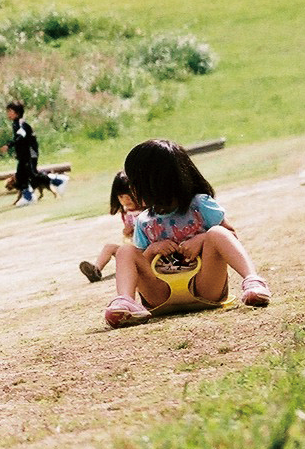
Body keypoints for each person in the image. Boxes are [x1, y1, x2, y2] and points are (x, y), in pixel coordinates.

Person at [103, 139, 271, 327]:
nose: (131, 188)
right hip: (161, 295)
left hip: (205, 288)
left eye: (135, 181)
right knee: (125, 251)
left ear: (154, 182)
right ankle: (125, 301)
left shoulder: (200, 204)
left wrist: (203, 238)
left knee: (217, 232)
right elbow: (141, 264)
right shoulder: (144, 221)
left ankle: (253, 282)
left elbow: (230, 236)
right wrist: (152, 250)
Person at [80, 172, 141, 282]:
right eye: (121, 196)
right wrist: (126, 232)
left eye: (129, 196)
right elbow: (128, 236)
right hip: (131, 251)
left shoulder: (146, 211)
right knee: (109, 247)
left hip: (146, 252)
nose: (126, 200)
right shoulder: (126, 213)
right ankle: (96, 270)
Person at [6, 100, 67, 207]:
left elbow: (21, 137)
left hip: (30, 154)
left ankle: (58, 180)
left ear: (16, 112)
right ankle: (28, 197)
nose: (8, 113)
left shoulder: (20, 124)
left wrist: (9, 145)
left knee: (32, 174)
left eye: (10, 111)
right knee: (22, 175)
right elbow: (19, 139)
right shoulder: (16, 123)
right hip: (24, 154)